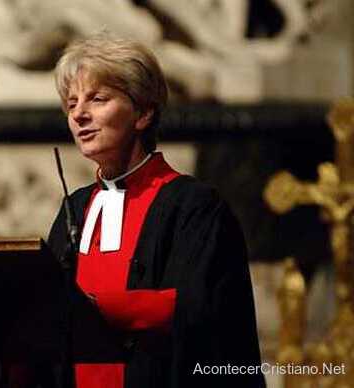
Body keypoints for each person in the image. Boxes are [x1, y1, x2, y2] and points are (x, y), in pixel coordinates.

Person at [46, 33, 266, 388]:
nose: (79, 115)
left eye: (98, 99)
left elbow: (201, 315)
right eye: (71, 104)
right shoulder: (75, 207)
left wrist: (94, 308)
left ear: (143, 113)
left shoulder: (193, 206)